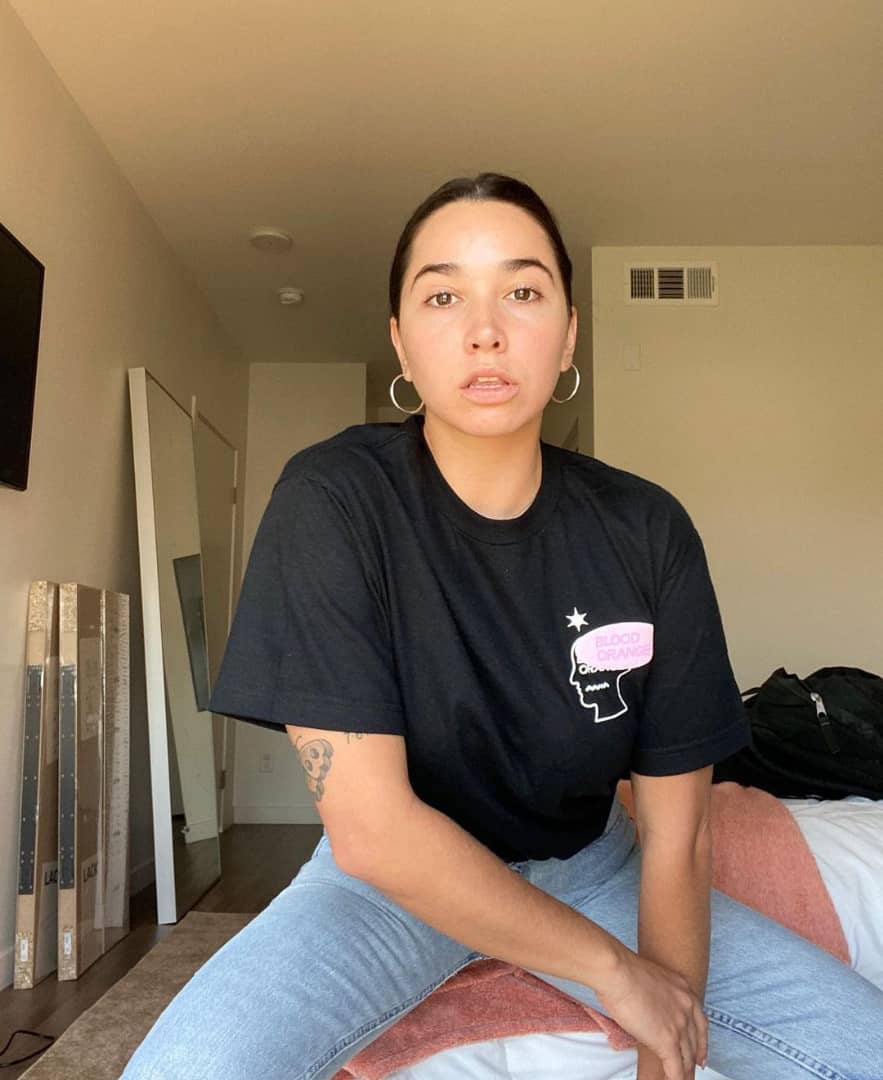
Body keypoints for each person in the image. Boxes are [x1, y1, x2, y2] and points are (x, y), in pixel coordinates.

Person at [122, 174, 883, 1080]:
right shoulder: (335, 498)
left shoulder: (645, 529)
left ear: (567, 333)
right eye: (443, 296)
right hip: (390, 885)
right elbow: (372, 831)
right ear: (401, 341)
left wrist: (665, 1039)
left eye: (522, 291)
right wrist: (616, 975)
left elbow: (677, 831)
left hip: (591, 866)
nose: (485, 330)